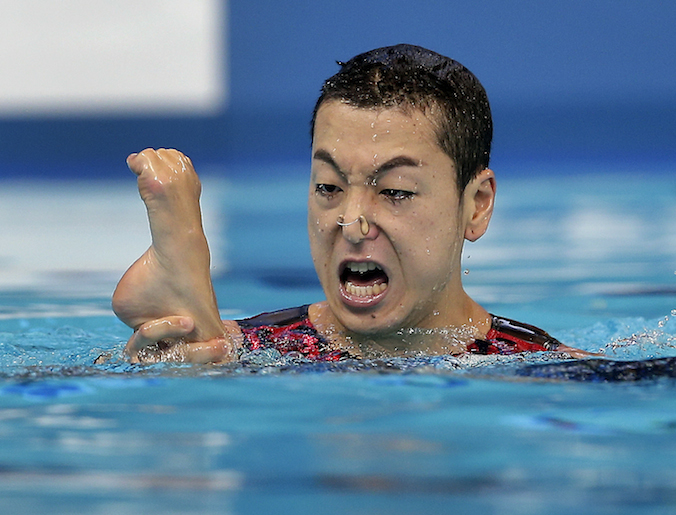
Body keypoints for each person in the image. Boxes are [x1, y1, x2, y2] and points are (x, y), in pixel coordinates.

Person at [111, 44, 583, 364]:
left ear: (476, 205)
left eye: (395, 190)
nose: (352, 223)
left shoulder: (541, 366)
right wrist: (152, 374)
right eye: (330, 188)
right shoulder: (245, 350)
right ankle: (190, 295)